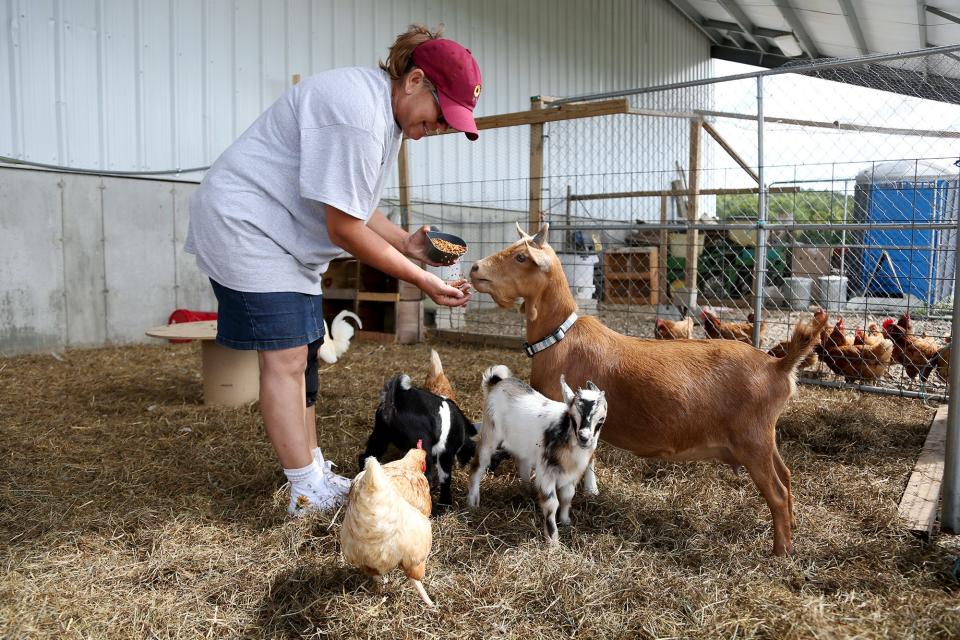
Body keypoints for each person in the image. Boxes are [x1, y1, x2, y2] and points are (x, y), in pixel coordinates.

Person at [184, 24, 481, 516]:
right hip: (248, 226)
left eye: (448, 124)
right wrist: (421, 276)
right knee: (283, 360)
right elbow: (345, 228)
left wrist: (405, 242)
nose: (438, 129)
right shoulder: (358, 117)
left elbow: (355, 207)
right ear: (414, 81)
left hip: (283, 236)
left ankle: (313, 471)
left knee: (304, 356)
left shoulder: (382, 115)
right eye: (439, 116)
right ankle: (303, 491)